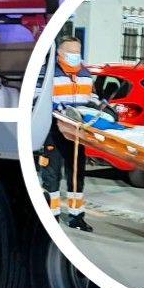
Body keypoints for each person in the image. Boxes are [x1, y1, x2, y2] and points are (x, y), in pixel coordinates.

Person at [38, 37, 98, 232]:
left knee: (76, 176)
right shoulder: (49, 74)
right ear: (60, 55)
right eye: (71, 53)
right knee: (51, 174)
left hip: (77, 132)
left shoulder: (85, 74)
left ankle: (76, 217)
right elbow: (38, 99)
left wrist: (101, 106)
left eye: (77, 53)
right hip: (54, 130)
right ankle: (51, 215)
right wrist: (57, 108)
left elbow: (91, 98)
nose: (75, 57)